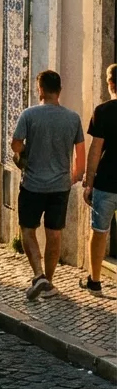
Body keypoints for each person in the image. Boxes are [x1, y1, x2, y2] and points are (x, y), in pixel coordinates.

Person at [11, 69, 86, 301]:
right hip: (60, 187)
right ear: (60, 91)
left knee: (27, 229)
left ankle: (38, 274)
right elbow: (80, 154)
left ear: (40, 90)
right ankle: (49, 282)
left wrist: (24, 152)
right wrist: (75, 175)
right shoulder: (73, 118)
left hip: (33, 184)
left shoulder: (29, 115)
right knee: (54, 234)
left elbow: (15, 145)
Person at [81, 63, 117, 295]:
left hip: (106, 181)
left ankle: (94, 281)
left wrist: (89, 181)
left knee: (99, 231)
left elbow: (96, 150)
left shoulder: (103, 111)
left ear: (111, 84)